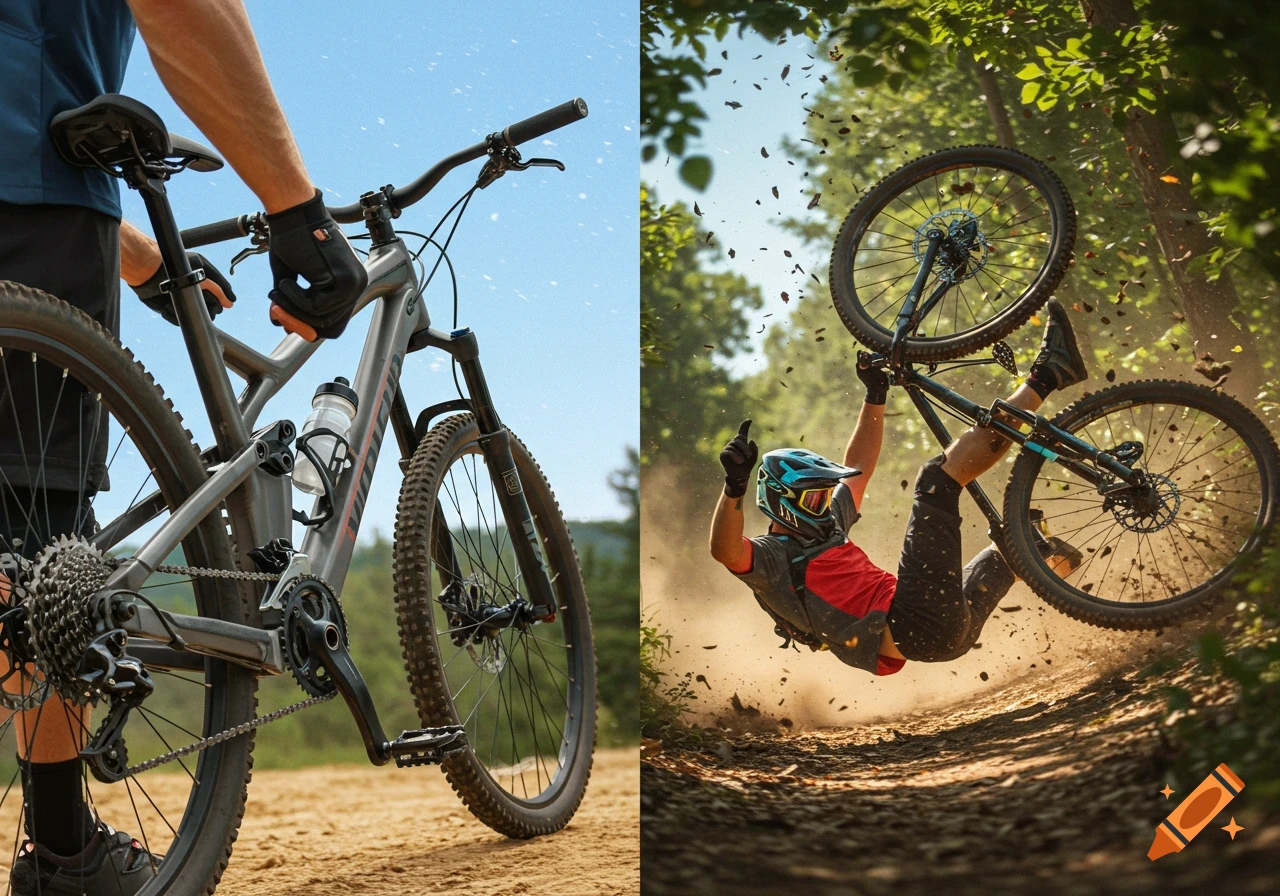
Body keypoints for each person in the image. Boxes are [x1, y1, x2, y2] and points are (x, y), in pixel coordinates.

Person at [0, 1, 367, 893]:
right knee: (37, 552)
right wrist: (300, 212)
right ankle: (65, 855)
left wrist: (137, 254)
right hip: (32, 198)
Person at [709, 300, 1088, 677]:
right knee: (936, 480)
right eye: (815, 497)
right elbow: (725, 551)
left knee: (1011, 549)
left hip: (949, 633)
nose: (824, 504)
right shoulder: (773, 557)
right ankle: (1048, 376)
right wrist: (734, 487)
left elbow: (858, 469)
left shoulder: (828, 525)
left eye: (825, 494)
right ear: (781, 502)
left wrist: (874, 395)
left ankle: (1083, 592)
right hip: (914, 624)